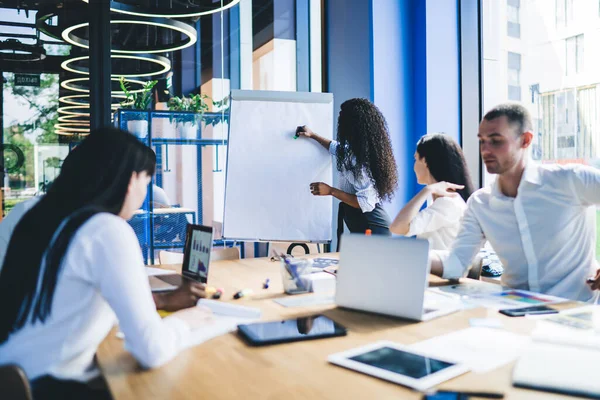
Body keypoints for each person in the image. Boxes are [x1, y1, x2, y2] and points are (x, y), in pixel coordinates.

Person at [0, 128, 209, 399]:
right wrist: (189, 321)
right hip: (49, 388)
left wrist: (160, 302)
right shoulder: (105, 229)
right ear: (132, 180)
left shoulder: (35, 215)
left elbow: (64, 299)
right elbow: (151, 350)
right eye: (147, 182)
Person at [429, 102, 600, 302]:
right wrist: (413, 257)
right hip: (515, 315)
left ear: (525, 140)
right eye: (482, 141)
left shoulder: (570, 180)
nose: (485, 150)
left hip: (575, 313)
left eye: (496, 141)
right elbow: (456, 262)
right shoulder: (480, 204)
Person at [296, 98, 398, 245]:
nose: (339, 120)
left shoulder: (360, 162)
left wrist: (331, 191)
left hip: (373, 226)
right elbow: (336, 148)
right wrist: (312, 135)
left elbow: (365, 203)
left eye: (342, 117)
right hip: (361, 221)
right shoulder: (354, 151)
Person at [390, 133, 473, 250]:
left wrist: (428, 189)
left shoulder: (447, 204)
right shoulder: (443, 202)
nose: (414, 166)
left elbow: (398, 227)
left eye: (415, 159)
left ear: (425, 161)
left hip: (444, 268)